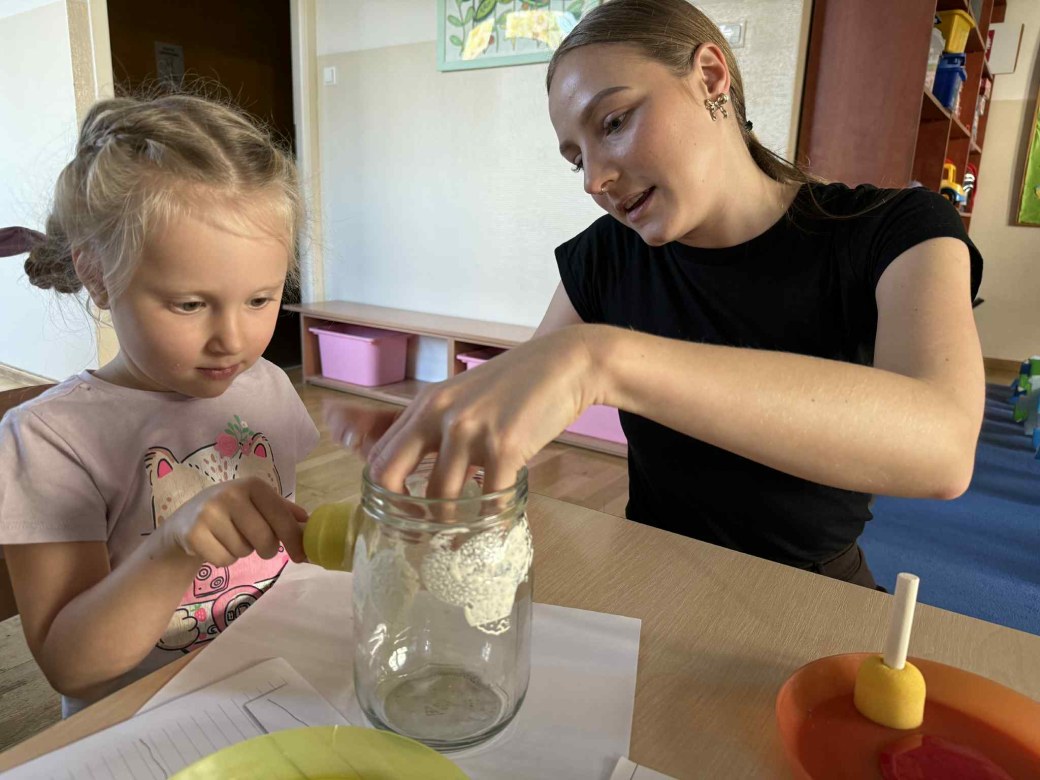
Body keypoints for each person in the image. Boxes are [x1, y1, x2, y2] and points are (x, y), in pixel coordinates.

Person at [324, 0, 985, 590]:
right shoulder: (606, 255)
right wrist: (446, 434)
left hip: (813, 593)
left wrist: (604, 361)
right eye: (576, 159)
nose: (594, 180)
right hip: (649, 569)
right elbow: (528, 392)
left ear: (711, 76)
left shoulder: (895, 229)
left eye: (613, 122)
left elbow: (944, 447)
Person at [0, 94, 318, 714]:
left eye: (260, 299)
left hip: (269, 686)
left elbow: (279, 553)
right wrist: (175, 546)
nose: (233, 339)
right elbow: (73, 668)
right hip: (143, 722)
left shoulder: (267, 388)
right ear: (97, 276)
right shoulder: (48, 440)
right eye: (190, 305)